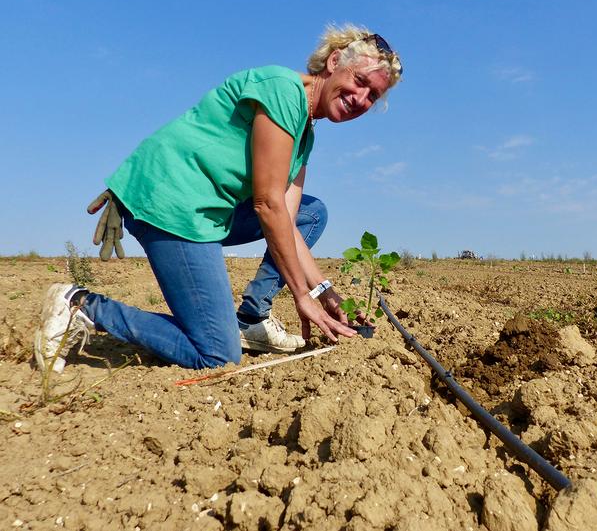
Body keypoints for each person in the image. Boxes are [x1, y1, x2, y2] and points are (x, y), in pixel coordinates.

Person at [34, 24, 403, 373]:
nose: (361, 99)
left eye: (373, 95)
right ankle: (82, 306)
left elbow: (287, 222)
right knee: (216, 353)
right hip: (173, 200)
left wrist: (325, 294)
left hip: (207, 211)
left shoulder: (304, 136)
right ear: (335, 62)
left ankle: (251, 319)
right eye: (360, 82)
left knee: (311, 214)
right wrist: (300, 296)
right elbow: (268, 204)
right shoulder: (283, 90)